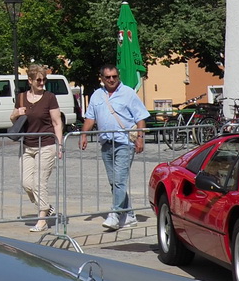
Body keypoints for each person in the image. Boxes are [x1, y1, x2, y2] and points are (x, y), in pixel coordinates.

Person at [80, 62, 149, 231]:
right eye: (108, 77)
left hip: (124, 143)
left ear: (118, 77)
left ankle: (115, 214)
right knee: (114, 182)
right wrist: (83, 135)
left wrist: (140, 138)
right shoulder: (97, 95)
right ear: (102, 78)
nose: (111, 80)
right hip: (105, 143)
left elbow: (140, 117)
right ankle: (129, 215)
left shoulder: (128, 93)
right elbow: (90, 118)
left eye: (114, 77)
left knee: (119, 180)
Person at [12, 64, 64, 231]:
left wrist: (60, 144)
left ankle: (42, 219)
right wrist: (16, 113)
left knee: (40, 182)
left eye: (44, 79)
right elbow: (13, 119)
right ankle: (47, 207)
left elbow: (57, 122)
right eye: (39, 80)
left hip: (47, 144)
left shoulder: (50, 97)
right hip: (27, 145)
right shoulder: (21, 97)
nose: (42, 83)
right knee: (26, 183)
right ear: (30, 80)